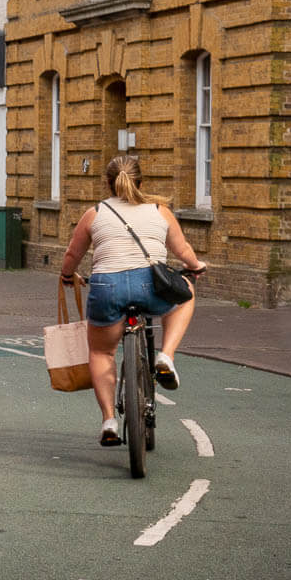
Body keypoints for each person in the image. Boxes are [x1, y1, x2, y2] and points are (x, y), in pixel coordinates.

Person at [57, 155, 209, 447]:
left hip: (106, 288)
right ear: (141, 181)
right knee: (186, 294)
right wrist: (197, 266)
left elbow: (71, 256)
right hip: (149, 286)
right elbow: (183, 250)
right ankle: (166, 355)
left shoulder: (95, 213)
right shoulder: (159, 210)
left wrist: (67, 276)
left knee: (102, 353)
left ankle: (109, 421)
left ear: (107, 183)